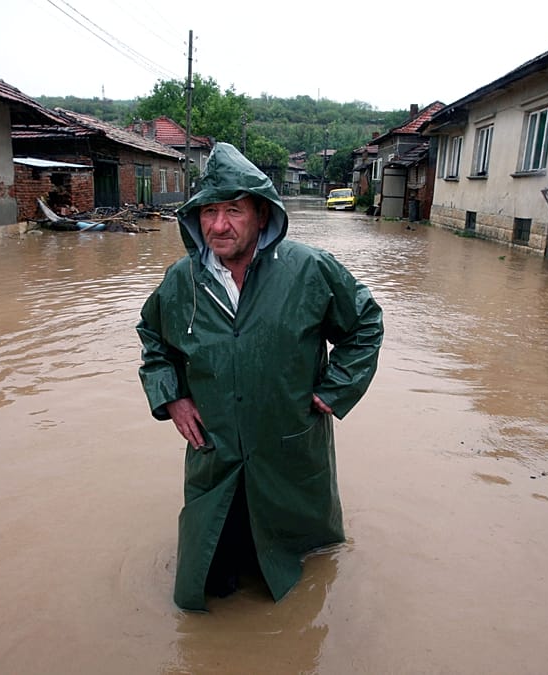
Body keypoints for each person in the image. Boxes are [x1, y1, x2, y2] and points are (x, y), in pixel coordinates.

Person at [137, 142, 383, 611]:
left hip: (288, 451)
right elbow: (153, 338)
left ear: (263, 215)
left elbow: (366, 323)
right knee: (209, 583)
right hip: (217, 455)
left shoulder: (310, 270)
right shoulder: (181, 282)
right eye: (209, 211)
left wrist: (337, 387)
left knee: (302, 576)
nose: (219, 225)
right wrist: (171, 396)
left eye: (234, 209)